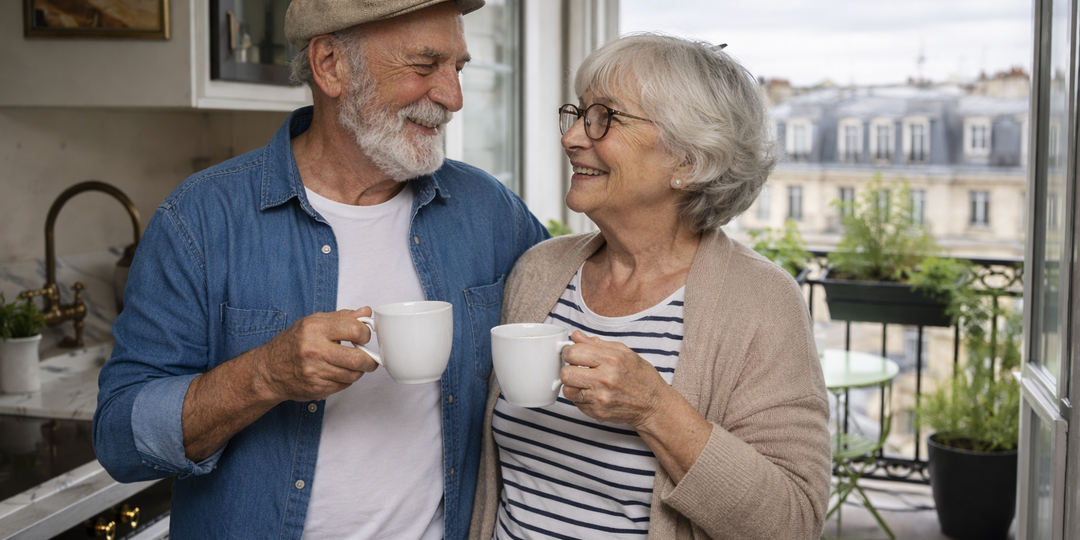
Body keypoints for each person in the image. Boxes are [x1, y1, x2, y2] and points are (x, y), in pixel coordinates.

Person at [93, 1, 549, 538]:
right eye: (425, 67)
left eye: (458, 68)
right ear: (330, 64)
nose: (453, 97)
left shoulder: (490, 211)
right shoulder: (200, 220)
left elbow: (584, 312)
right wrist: (263, 376)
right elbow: (121, 441)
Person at [468, 34, 832, 540]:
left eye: (604, 117)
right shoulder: (538, 271)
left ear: (688, 160)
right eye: (576, 114)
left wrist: (654, 408)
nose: (572, 137)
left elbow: (791, 522)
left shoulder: (761, 303)